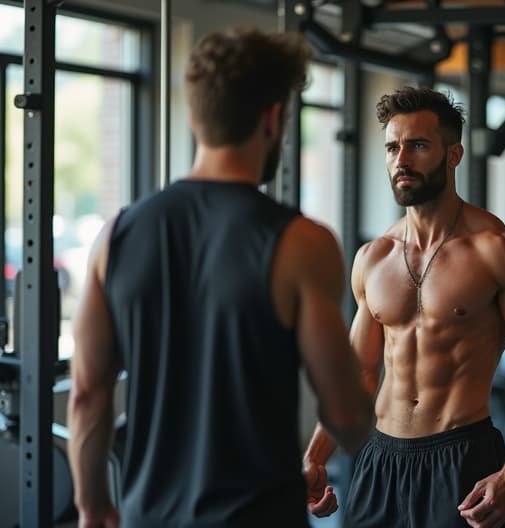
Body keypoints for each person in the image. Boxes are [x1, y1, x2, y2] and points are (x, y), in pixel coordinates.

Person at [66, 27, 374, 528]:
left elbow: (86, 395)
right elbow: (343, 414)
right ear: (274, 118)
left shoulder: (115, 237)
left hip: (149, 517)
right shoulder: (302, 242)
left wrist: (92, 505)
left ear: (194, 115)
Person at [303, 86, 505, 528]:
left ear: (453, 154)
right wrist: (315, 457)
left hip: (461, 458)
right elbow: (361, 373)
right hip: (380, 460)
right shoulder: (373, 258)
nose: (401, 160)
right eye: (392, 147)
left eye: (418, 145)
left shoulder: (499, 252)